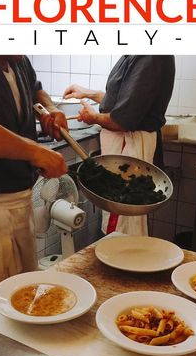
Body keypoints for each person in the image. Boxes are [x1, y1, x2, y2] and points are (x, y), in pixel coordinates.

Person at [0, 55, 68, 305]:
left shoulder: (18, 60)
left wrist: (51, 109)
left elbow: (35, 89)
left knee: (23, 293)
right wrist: (34, 151)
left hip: (20, 200)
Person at [64, 55, 175, 236]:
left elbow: (122, 121)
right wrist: (88, 93)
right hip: (124, 143)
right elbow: (125, 101)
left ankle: (123, 261)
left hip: (128, 144)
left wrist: (93, 117)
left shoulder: (150, 57)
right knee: (121, 218)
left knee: (122, 221)